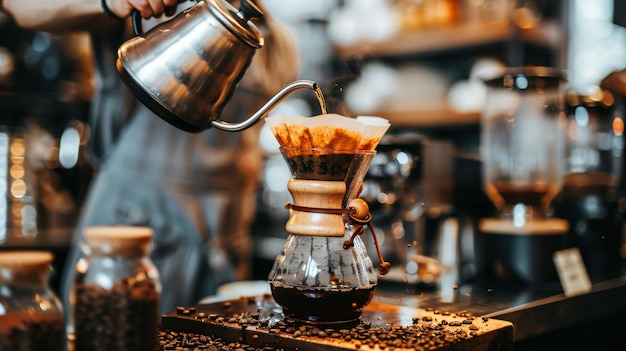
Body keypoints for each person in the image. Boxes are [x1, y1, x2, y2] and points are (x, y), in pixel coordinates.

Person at [3, 0, 300, 313]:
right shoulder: (157, 10)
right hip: (131, 240)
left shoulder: (278, 42)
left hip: (223, 246)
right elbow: (22, 7)